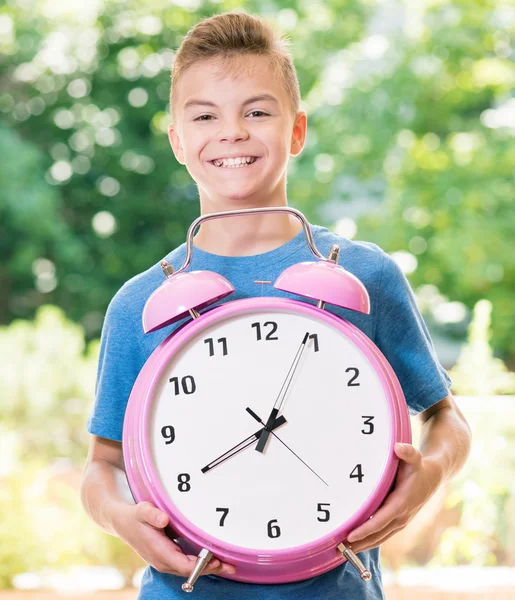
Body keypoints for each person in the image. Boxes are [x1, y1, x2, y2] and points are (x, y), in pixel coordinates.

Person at [80, 11, 472, 600]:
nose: (232, 132)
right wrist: (119, 518)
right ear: (177, 140)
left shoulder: (363, 275)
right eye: (205, 115)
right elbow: (102, 463)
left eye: (256, 112)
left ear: (296, 131)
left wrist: (431, 472)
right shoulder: (140, 302)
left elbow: (447, 418)